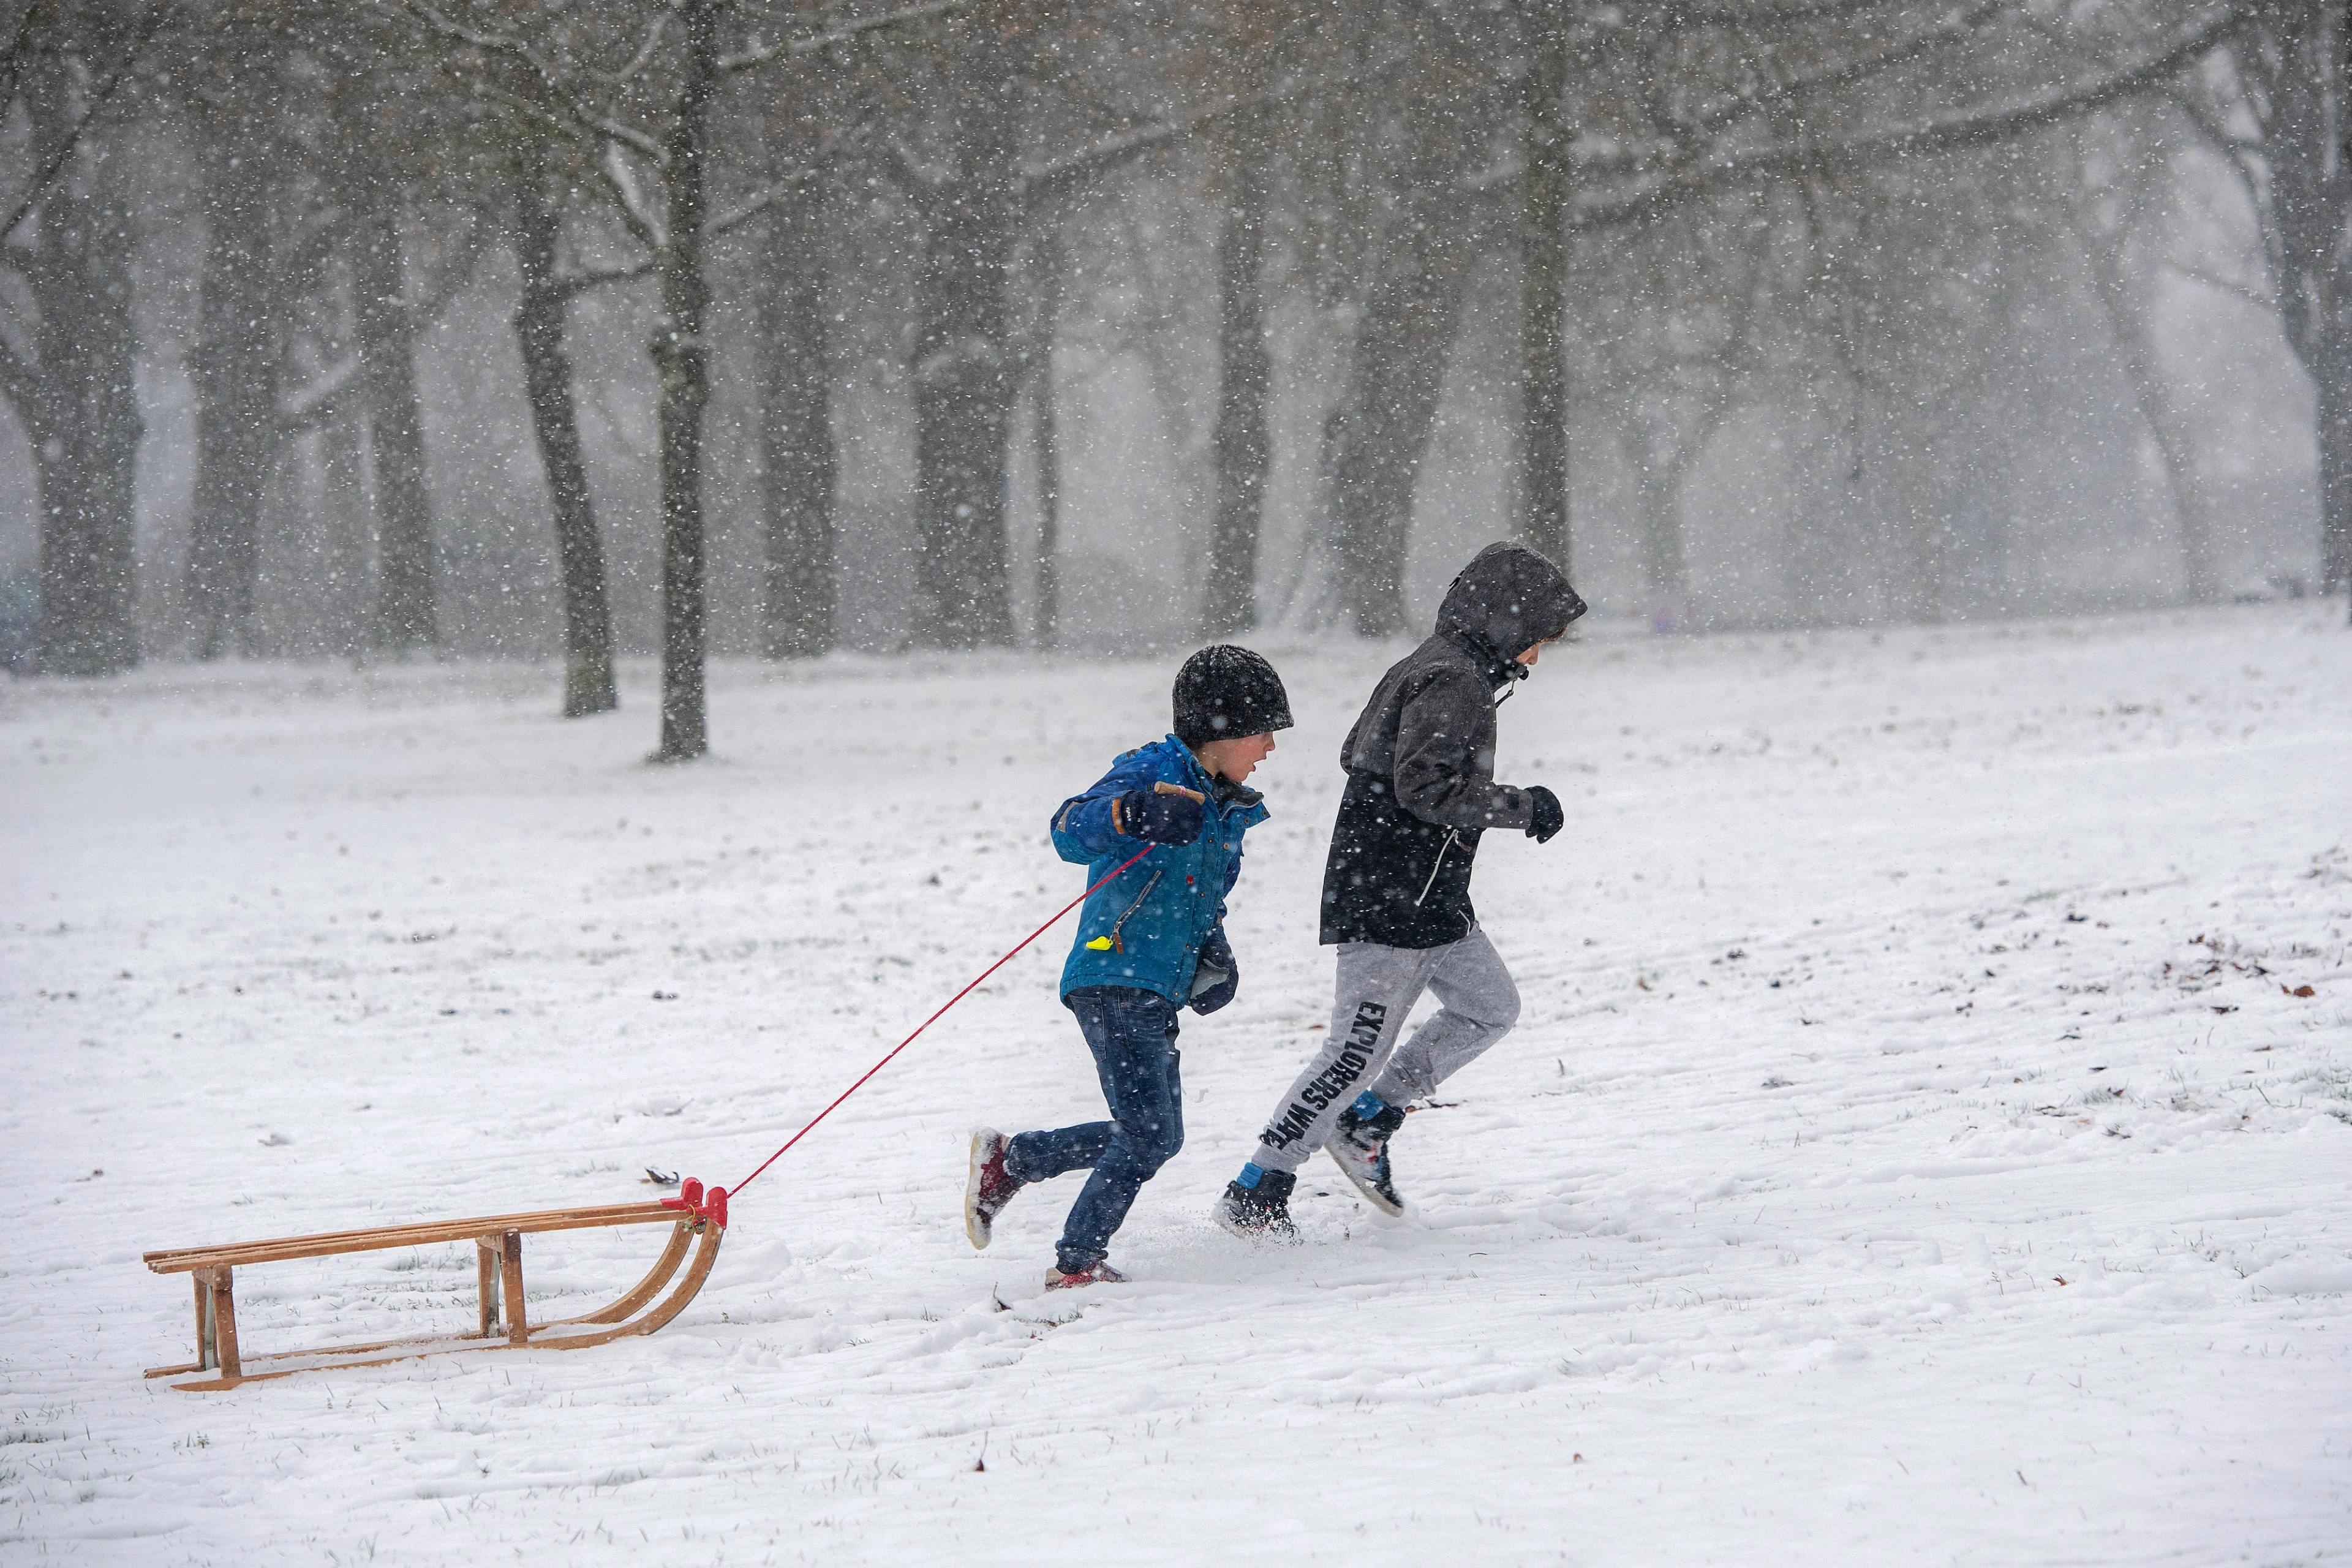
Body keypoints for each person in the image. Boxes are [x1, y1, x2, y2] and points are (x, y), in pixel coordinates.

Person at [1213, 542, 1586, 1238]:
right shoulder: (1452, 680)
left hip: (1430, 894)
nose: (1536, 657)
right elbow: (1424, 787)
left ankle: (1366, 1121)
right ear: (1508, 625)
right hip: (1390, 897)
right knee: (1354, 1051)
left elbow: (1361, 752)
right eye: (1537, 639)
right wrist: (1523, 805)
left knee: (1489, 1007)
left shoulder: (1438, 666)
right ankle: (1258, 1187)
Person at [964, 646, 1294, 1288]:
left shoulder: (1226, 806)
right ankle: (1076, 1262)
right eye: (1263, 730)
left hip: (1156, 986)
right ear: (1219, 730)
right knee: (1146, 1134)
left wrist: (1212, 950)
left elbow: (1203, 895)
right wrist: (1132, 813)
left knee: (1156, 1135)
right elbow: (1067, 829)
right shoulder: (1151, 772)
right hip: (1112, 974)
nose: (1271, 747)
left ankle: (1014, 1160)